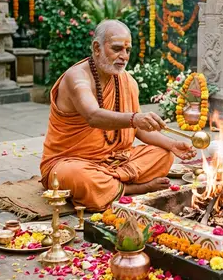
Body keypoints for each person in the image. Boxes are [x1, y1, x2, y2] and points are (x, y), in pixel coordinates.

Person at [40, 20, 195, 211]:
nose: (124, 56)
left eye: (128, 50)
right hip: (72, 161)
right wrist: (134, 118)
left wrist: (172, 144)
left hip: (115, 161)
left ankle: (111, 186)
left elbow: (138, 128)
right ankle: (132, 188)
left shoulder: (127, 82)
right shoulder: (77, 77)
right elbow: (93, 115)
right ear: (96, 47)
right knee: (77, 176)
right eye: (117, 49)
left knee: (163, 155)